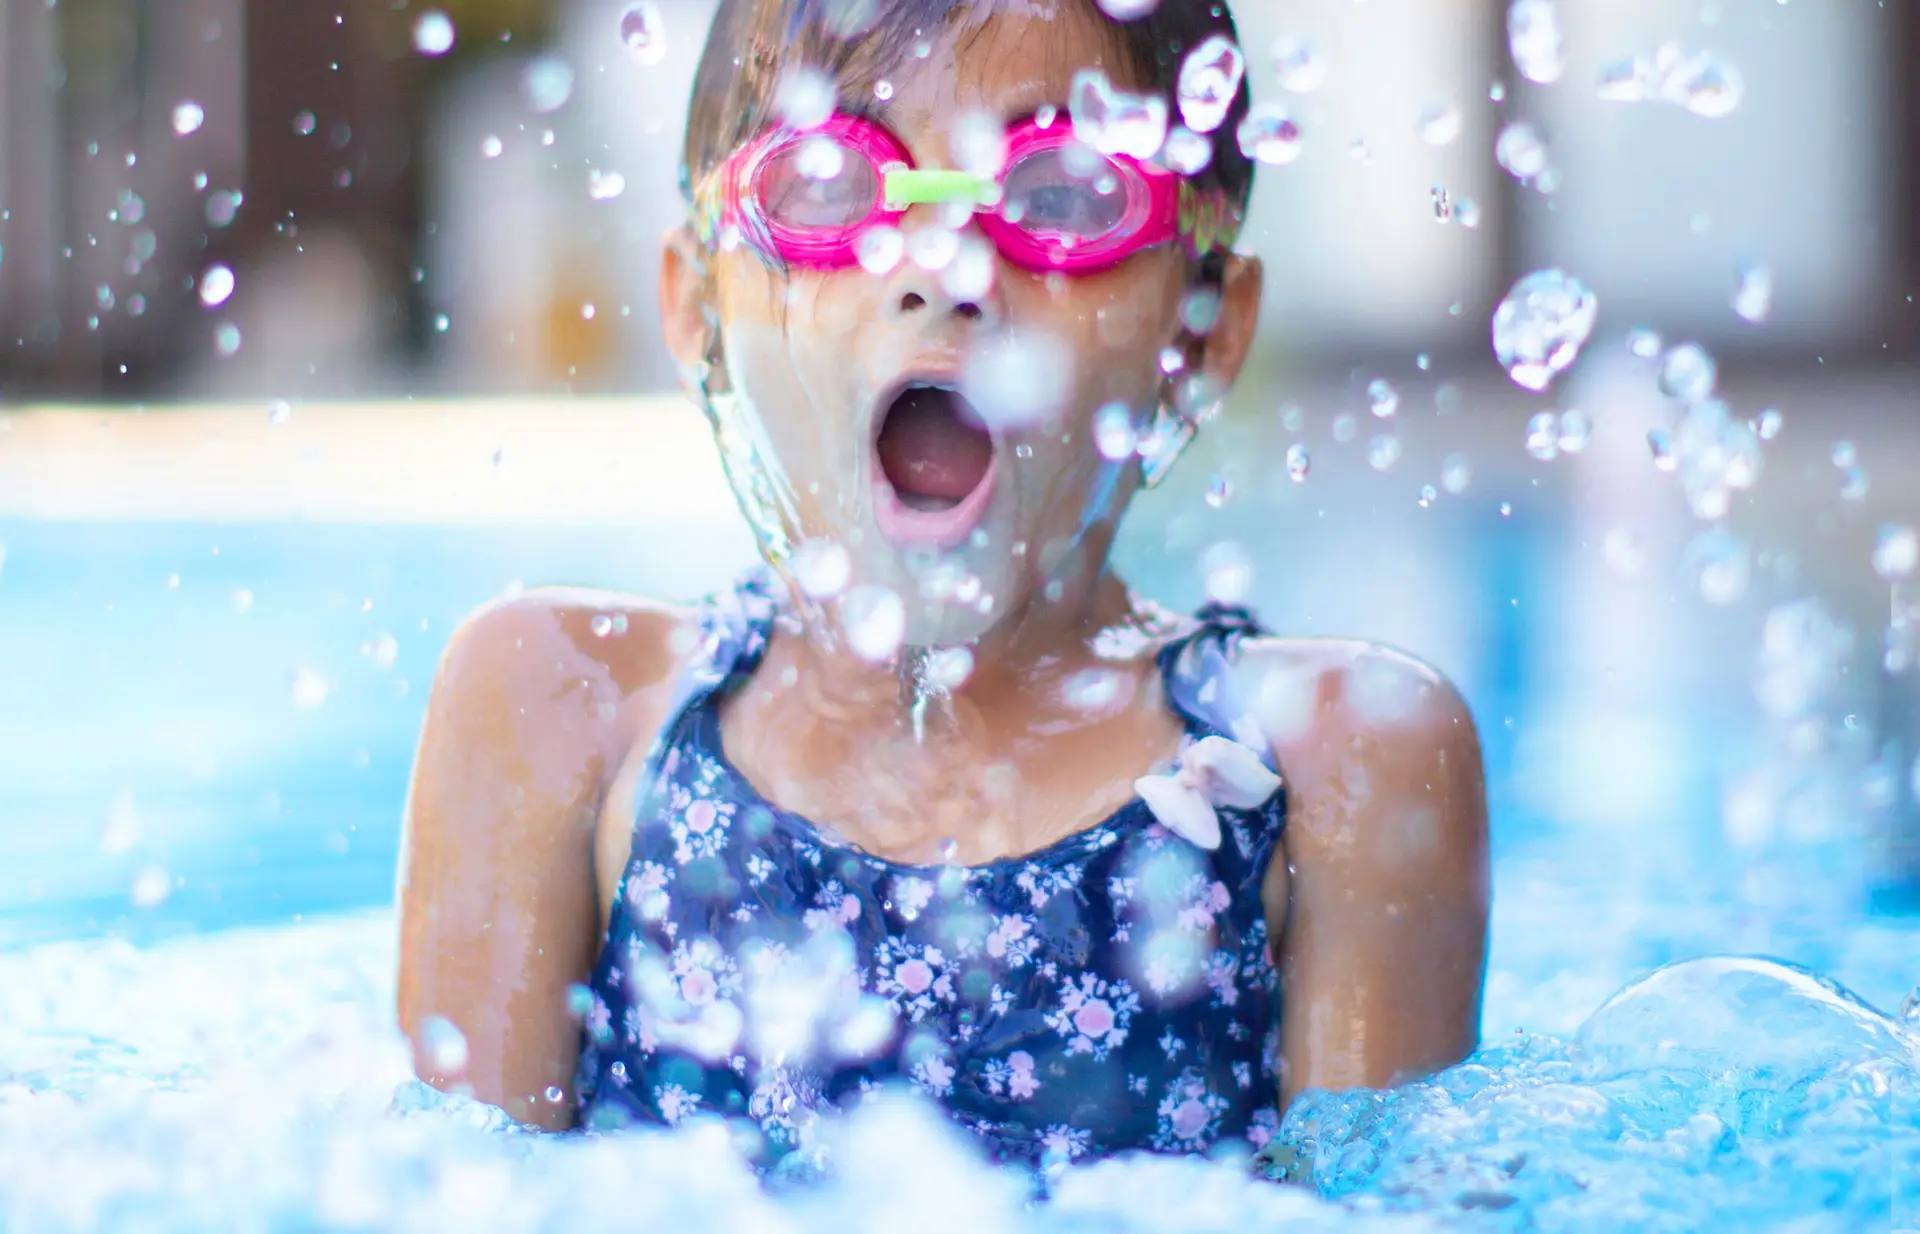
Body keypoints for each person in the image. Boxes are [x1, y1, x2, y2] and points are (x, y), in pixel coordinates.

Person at [396, 0, 1489, 1178]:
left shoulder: (1335, 760)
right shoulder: (564, 707)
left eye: (1065, 193)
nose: (944, 270)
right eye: (827, 185)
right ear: (696, 308)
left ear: (1203, 331)